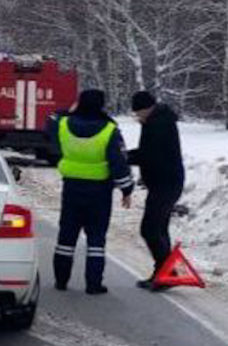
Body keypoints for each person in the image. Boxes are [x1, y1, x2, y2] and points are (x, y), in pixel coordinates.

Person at [45, 89, 134, 294]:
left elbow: (51, 119)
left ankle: (61, 280)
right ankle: (93, 284)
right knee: (96, 239)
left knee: (66, 237)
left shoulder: (64, 124)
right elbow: (118, 162)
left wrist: (69, 110)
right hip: (99, 192)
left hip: (72, 188)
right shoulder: (110, 130)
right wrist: (126, 189)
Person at [128, 91, 185, 290]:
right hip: (165, 183)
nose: (138, 117)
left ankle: (168, 272)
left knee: (149, 229)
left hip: (166, 184)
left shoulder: (158, 124)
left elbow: (150, 156)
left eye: (139, 113)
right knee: (159, 229)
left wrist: (125, 157)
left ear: (147, 108)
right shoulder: (155, 121)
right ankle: (163, 273)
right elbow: (148, 153)